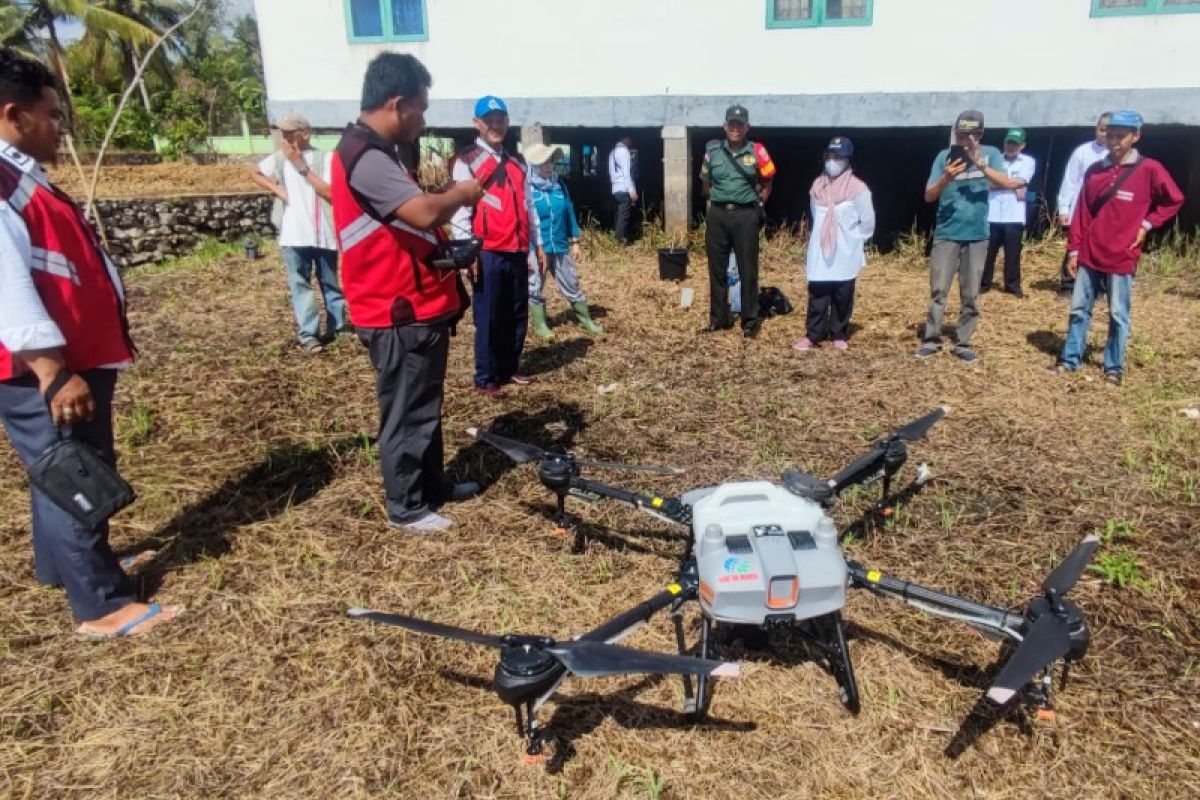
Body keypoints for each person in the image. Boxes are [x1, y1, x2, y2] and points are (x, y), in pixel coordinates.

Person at [0, 48, 182, 637]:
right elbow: (6, 284)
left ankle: (72, 568)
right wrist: (53, 369)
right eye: (51, 115)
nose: (59, 126)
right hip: (44, 371)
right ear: (13, 115)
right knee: (71, 473)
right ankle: (101, 604)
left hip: (62, 361)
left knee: (58, 471)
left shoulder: (21, 177)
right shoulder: (3, 187)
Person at [330, 52, 486, 532]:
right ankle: (408, 507)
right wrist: (463, 193)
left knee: (424, 404)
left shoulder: (376, 152)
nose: (424, 118)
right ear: (398, 104)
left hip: (414, 303)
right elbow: (420, 213)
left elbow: (402, 229)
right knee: (406, 411)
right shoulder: (364, 154)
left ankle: (431, 485)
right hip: (395, 311)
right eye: (421, 107)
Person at [1054, 110, 1183, 386]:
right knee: (1079, 310)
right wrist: (1075, 250)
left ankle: (1113, 366)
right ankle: (1070, 359)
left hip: (1123, 255)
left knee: (1117, 314)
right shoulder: (1095, 170)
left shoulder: (1149, 170)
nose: (1113, 140)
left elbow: (1174, 199)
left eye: (1120, 136)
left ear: (1135, 137)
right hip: (1090, 252)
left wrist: (1147, 224)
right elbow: (1082, 214)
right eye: (1109, 134)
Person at [450, 95, 541, 399]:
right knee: (489, 316)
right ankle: (486, 376)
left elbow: (528, 206)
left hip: (516, 249)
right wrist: (468, 253)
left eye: (500, 119)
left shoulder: (518, 162)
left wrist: (534, 245)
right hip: (487, 251)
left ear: (507, 122)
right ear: (477, 124)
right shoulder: (467, 161)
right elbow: (461, 210)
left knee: (517, 313)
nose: (495, 125)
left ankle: (508, 367)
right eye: (488, 120)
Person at [916, 110, 1022, 363]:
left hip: (977, 235)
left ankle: (963, 342)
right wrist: (946, 177)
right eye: (961, 134)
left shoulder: (992, 154)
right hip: (947, 233)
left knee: (971, 292)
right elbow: (929, 195)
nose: (966, 139)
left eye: (971, 134)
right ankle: (932, 338)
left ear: (980, 134)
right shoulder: (944, 157)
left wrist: (980, 163)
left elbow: (1005, 183)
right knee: (939, 289)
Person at [251, 113, 349, 353]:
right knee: (301, 285)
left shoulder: (325, 158)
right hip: (294, 235)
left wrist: (300, 165)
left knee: (330, 283)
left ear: (304, 133)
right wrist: (275, 188)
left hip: (322, 232)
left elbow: (328, 191)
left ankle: (338, 327)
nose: (283, 137)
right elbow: (254, 172)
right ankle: (309, 334)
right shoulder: (279, 160)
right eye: (282, 132)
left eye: (288, 132)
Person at [699, 104, 776, 338]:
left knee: (747, 269)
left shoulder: (757, 152)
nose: (735, 129)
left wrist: (757, 206)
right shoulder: (712, 152)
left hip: (745, 216)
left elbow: (768, 181)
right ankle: (719, 318)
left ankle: (750, 321)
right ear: (724, 126)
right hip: (719, 215)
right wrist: (715, 204)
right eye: (731, 124)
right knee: (717, 269)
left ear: (747, 128)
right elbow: (706, 182)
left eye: (740, 125)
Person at [794, 136, 875, 352]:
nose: (833, 161)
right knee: (818, 292)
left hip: (846, 249)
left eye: (838, 157)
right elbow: (815, 215)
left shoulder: (858, 188)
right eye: (830, 156)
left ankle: (838, 332)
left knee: (843, 292)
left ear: (848, 159)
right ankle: (814, 334)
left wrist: (856, 239)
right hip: (821, 248)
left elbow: (867, 221)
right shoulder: (817, 186)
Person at [524, 143, 603, 339]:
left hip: (559, 245)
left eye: (551, 161)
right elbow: (524, 221)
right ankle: (541, 325)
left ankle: (585, 320)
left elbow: (569, 212)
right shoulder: (527, 189)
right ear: (534, 164)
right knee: (535, 285)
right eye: (544, 161)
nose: (550, 165)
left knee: (571, 281)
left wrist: (575, 241)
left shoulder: (559, 186)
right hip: (537, 247)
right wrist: (526, 250)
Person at [1056, 112, 1112, 297]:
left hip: (1106, 211)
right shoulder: (1082, 151)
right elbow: (1070, 181)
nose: (1104, 134)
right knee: (1075, 245)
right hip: (1082, 208)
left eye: (1108, 130)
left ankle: (1101, 287)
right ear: (1096, 129)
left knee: (1104, 246)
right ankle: (1068, 285)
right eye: (1101, 129)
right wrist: (1064, 207)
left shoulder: (1118, 154)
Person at [981, 128, 1036, 297]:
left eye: (1015, 143)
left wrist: (999, 182)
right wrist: (1011, 184)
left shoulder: (1028, 161)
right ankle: (983, 284)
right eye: (1009, 142)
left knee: (1012, 254)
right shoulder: (993, 159)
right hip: (992, 213)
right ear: (1004, 142)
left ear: (1023, 145)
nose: (1011, 146)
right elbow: (985, 183)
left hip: (1014, 215)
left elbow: (1020, 182)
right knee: (988, 253)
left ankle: (1012, 286)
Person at [608, 133, 637, 244]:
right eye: (630, 139)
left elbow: (611, 172)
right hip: (624, 187)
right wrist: (631, 189)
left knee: (618, 214)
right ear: (626, 138)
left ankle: (616, 237)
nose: (631, 142)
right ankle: (620, 240)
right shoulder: (624, 151)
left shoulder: (612, 152)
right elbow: (626, 172)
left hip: (615, 188)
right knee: (624, 215)